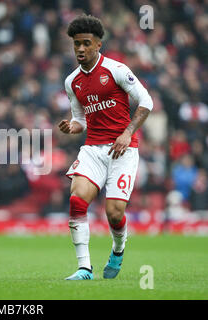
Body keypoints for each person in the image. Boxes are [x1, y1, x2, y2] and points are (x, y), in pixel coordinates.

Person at [58, 15, 153, 280]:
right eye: (76, 44)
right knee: (77, 200)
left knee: (114, 213)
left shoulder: (116, 70)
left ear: (98, 44)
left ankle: (118, 249)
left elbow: (147, 102)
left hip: (123, 150)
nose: (80, 49)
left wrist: (127, 132)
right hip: (92, 149)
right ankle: (84, 268)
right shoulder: (72, 81)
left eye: (86, 43)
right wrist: (71, 127)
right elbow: (80, 120)